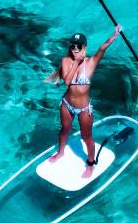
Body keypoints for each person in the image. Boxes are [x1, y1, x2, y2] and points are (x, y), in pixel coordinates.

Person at [47, 26, 122, 178]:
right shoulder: (66, 61)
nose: (75, 49)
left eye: (78, 46)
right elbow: (67, 81)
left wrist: (114, 34)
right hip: (67, 104)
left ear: (84, 47)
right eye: (73, 46)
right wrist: (76, 63)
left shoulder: (91, 62)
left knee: (86, 137)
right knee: (64, 130)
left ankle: (90, 164)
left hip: (83, 108)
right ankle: (60, 152)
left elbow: (103, 48)